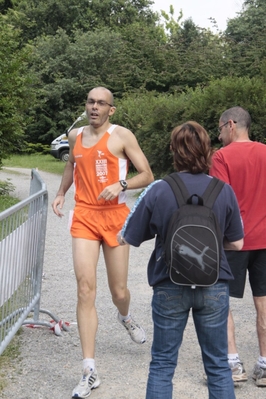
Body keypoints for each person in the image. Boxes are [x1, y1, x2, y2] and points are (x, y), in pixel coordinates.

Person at [118, 121, 244, 399]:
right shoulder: (224, 191)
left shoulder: (160, 189)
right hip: (214, 285)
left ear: (174, 151)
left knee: (163, 364)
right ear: (208, 150)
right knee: (218, 366)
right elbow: (237, 242)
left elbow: (129, 237)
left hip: (169, 284)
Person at [52, 86, 154, 399]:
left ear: (111, 109)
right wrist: (60, 193)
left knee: (119, 290)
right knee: (85, 288)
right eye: (90, 102)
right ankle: (89, 370)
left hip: (115, 217)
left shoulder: (122, 136)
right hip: (84, 214)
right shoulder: (75, 136)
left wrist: (120, 184)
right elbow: (72, 164)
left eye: (101, 103)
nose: (94, 107)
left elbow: (147, 174)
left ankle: (125, 315)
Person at [209, 106, 266, 387]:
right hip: (265, 241)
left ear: (231, 124)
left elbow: (221, 203)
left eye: (220, 128)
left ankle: (233, 364)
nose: (218, 135)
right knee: (264, 301)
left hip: (233, 242)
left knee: (222, 301)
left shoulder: (221, 157)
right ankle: (265, 364)